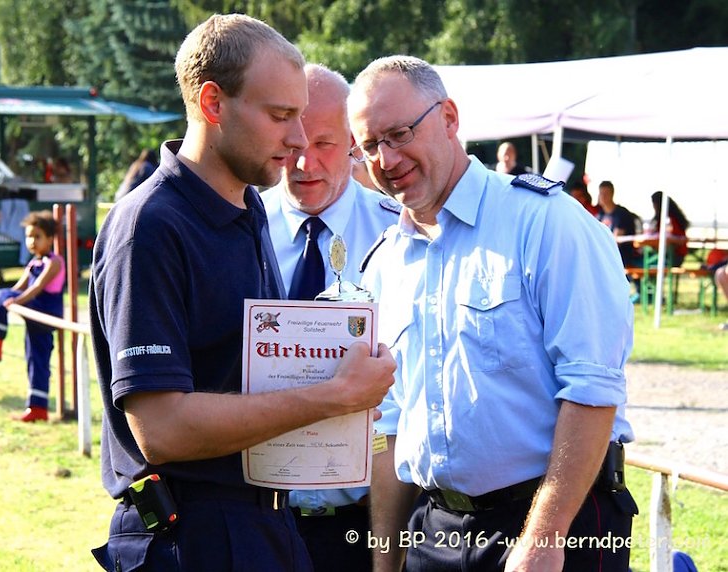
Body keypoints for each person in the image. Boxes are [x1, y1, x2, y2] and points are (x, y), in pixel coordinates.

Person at [88, 14, 396, 572]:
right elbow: (160, 428)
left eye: (302, 116)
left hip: (266, 526)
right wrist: (335, 397)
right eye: (281, 115)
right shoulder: (151, 226)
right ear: (212, 104)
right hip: (195, 535)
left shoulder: (248, 208)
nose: (299, 139)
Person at [348, 55, 637, 572]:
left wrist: (545, 538)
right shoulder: (386, 262)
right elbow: (392, 426)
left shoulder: (543, 223)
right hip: (434, 529)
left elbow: (593, 389)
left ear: (450, 118)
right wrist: (384, 561)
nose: (386, 159)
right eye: (369, 146)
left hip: (556, 522)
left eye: (399, 134)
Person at [262, 63, 400, 572]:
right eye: (291, 140)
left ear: (352, 144)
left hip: (365, 524)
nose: (303, 161)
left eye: (324, 143)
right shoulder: (238, 231)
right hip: (260, 519)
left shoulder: (398, 238)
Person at [0, 210, 65, 423]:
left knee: (39, 360)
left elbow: (37, 288)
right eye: (29, 236)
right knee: (34, 360)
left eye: (37, 237)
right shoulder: (34, 263)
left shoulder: (54, 262)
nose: (32, 241)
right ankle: (37, 408)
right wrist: (9, 299)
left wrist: (14, 301)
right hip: (33, 311)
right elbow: (18, 288)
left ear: (50, 239)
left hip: (44, 310)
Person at [649, 191, 690, 264]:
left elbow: (676, 238)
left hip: (674, 256)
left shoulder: (670, 219)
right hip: (668, 254)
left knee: (649, 262)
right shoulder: (664, 219)